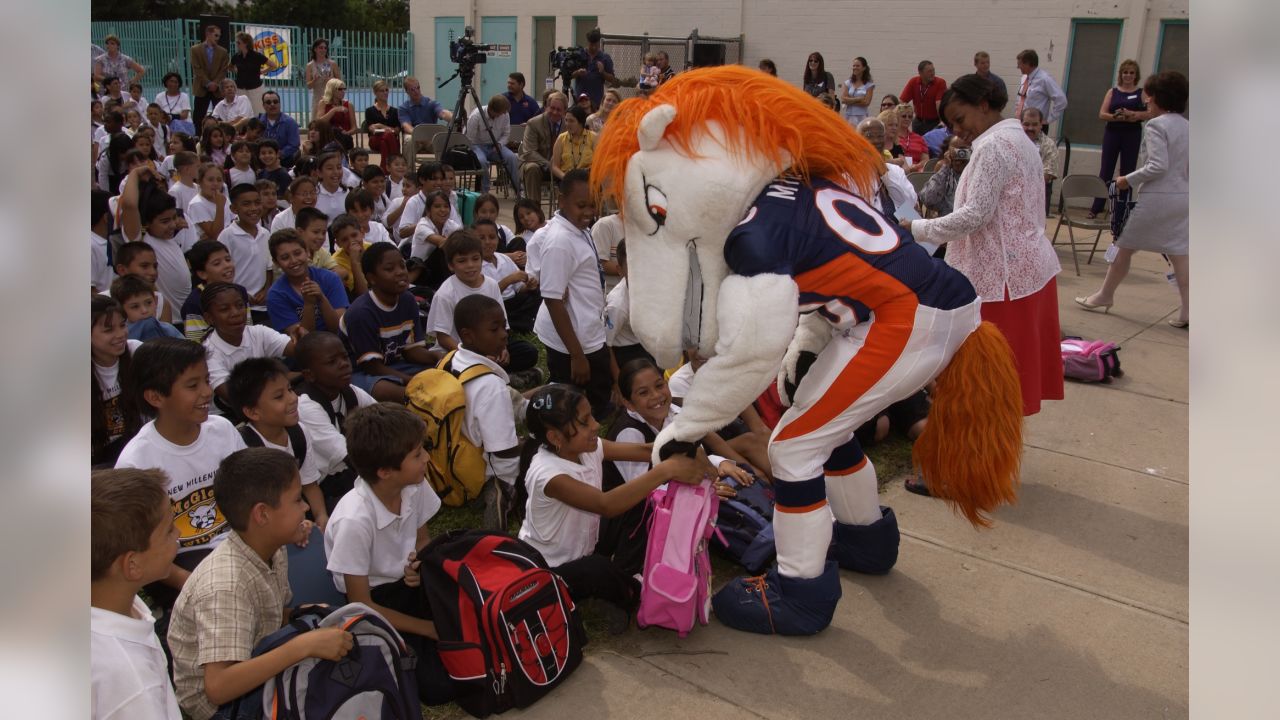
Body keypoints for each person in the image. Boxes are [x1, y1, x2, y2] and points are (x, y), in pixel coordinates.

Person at [905, 73, 1064, 417]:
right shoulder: (1019, 139)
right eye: (951, 125)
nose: (957, 131)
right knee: (1001, 389)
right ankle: (993, 463)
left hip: (1002, 281)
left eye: (960, 119)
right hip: (1022, 273)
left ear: (983, 104)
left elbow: (973, 215)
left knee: (986, 386)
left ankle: (980, 464)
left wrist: (914, 228)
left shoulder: (993, 146)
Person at [167, 447, 352, 720]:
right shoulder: (225, 586)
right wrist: (305, 645)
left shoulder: (271, 548)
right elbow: (218, 687)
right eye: (296, 499)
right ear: (262, 514)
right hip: (226, 708)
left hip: (254, 657)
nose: (305, 507)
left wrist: (302, 612)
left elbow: (268, 615)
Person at [518, 384, 715, 627]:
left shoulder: (586, 447)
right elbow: (606, 505)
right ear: (555, 437)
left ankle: (621, 575)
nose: (595, 425)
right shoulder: (547, 474)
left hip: (588, 543)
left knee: (639, 501)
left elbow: (645, 450)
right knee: (595, 568)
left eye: (591, 415)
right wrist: (668, 469)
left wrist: (689, 448)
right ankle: (635, 592)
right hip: (551, 568)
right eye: (584, 421)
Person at [323, 403, 456, 705]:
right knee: (438, 687)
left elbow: (422, 540)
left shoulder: (414, 484)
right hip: (375, 603)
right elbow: (361, 604)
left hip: (409, 584)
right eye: (417, 455)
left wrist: (418, 564)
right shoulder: (354, 520)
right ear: (385, 472)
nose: (426, 459)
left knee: (475, 627)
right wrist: (427, 628)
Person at [115, 338, 249, 610]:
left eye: (206, 380)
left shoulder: (222, 429)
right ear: (155, 397)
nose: (206, 392)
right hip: (181, 562)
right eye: (192, 385)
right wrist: (190, 581)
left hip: (236, 544)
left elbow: (249, 490)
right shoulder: (136, 462)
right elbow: (141, 549)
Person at [1075, 70, 1189, 328]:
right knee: (1180, 253)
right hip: (1182, 197)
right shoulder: (1188, 126)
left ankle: (1104, 295)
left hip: (1158, 198)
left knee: (1124, 244)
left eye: (1149, 97)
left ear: (1159, 98)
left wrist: (1127, 179)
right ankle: (1189, 310)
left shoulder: (1156, 126)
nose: (1146, 101)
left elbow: (1158, 166)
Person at [90, 468, 183, 720]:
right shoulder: (133, 682)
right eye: (169, 530)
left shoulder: (116, 601)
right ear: (132, 565)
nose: (179, 535)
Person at [534, 170, 611, 419]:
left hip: (586, 326)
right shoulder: (560, 241)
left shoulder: (577, 228)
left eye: (593, 205)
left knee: (596, 385)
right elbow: (553, 300)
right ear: (561, 200)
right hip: (572, 338)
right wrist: (577, 355)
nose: (589, 212)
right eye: (581, 205)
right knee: (569, 398)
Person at [450, 294, 533, 526]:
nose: (504, 334)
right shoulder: (491, 387)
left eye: (504, 326)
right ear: (468, 335)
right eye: (494, 329)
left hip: (450, 457)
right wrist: (509, 486)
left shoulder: (451, 359)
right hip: (479, 469)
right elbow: (504, 452)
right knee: (540, 445)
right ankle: (498, 493)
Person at [228, 358, 330, 528]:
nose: (292, 398)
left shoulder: (299, 433)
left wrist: (322, 517)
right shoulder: (243, 447)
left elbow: (310, 486)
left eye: (290, 389)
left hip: (296, 514)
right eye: (279, 396)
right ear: (253, 412)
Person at [425, 229, 538, 373]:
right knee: (449, 365)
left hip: (488, 347)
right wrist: (474, 357)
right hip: (458, 351)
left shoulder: (491, 285)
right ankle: (493, 372)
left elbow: (502, 324)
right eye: (462, 261)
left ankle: (493, 370)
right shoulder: (445, 294)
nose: (470, 265)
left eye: (475, 258)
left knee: (527, 352)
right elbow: (443, 338)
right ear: (451, 265)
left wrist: (502, 348)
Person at [339, 243, 442, 402]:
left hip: (396, 365)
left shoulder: (407, 300)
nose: (400, 272)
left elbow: (411, 351)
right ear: (371, 278)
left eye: (402, 266)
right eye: (389, 269)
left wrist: (437, 357)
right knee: (390, 391)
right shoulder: (361, 313)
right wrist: (412, 381)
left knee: (441, 373)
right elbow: (372, 367)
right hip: (362, 373)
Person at [293, 331, 377, 510]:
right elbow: (347, 454)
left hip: (348, 474)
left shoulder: (349, 391)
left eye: (345, 357)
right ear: (309, 375)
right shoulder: (305, 406)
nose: (344, 365)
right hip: (322, 488)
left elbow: (387, 421)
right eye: (332, 362)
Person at [199, 282, 297, 403]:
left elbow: (300, 350)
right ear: (209, 318)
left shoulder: (258, 332)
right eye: (224, 309)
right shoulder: (208, 352)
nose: (235, 313)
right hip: (231, 415)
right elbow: (234, 396)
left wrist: (301, 336)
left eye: (240, 306)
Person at [1089, 59, 1148, 217]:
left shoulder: (1141, 93)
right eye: (1125, 72)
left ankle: (1123, 208)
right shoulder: (1113, 92)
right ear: (1121, 74)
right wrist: (1117, 116)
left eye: (1131, 73)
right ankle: (1097, 207)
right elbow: (1102, 114)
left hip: (1132, 134)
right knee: (1106, 170)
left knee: (1128, 171)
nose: (1128, 75)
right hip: (1113, 132)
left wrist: (1133, 115)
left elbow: (1149, 113)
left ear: (1136, 75)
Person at [92, 296, 144, 466]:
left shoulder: (136, 351)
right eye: (108, 330)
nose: (120, 335)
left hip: (136, 445)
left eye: (122, 325)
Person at [266, 229, 349, 334]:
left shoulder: (330, 278)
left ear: (307, 252)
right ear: (276, 262)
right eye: (285, 257)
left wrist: (321, 298)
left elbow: (339, 328)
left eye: (297, 253)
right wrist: (309, 305)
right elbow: (302, 339)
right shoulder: (276, 295)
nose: (294, 261)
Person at [216, 183, 273, 320]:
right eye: (246, 204)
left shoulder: (265, 234)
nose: (253, 208)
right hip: (239, 305)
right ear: (234, 208)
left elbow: (269, 268)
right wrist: (240, 293)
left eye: (257, 203)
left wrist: (266, 290)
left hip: (263, 305)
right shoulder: (227, 236)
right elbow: (221, 273)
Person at [464, 94, 522, 195]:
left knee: (512, 157)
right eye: (502, 112)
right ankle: (484, 191)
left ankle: (518, 189)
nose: (504, 114)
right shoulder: (476, 116)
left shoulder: (505, 115)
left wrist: (499, 144)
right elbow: (469, 139)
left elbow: (506, 134)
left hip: (495, 145)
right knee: (482, 161)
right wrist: (475, 149)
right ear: (493, 110)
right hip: (477, 145)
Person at [179, 240, 236, 340]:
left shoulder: (240, 292)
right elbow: (197, 344)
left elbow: (248, 330)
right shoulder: (194, 303)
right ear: (202, 273)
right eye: (217, 263)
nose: (227, 265)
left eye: (228, 259)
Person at [519, 91, 567, 202]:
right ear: (546, 107)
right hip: (538, 164)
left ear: (565, 111)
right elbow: (529, 152)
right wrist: (550, 165)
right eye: (552, 108)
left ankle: (565, 211)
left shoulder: (568, 124)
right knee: (532, 168)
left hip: (561, 166)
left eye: (559, 109)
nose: (554, 112)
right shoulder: (533, 123)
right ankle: (534, 209)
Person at [113, 242, 176, 327]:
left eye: (155, 266)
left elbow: (167, 338)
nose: (153, 272)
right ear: (122, 270)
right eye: (144, 266)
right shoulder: (105, 302)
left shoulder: (162, 303)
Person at [112, 274, 184, 340]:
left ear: (155, 301)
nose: (144, 310)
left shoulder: (168, 329)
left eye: (149, 303)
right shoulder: (122, 337)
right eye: (135, 306)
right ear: (121, 310)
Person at [1014, 49, 1067, 133]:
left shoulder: (1045, 79)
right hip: (1022, 124)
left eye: (1020, 64)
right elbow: (1021, 99)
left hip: (1036, 127)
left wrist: (1048, 120)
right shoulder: (1024, 78)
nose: (1018, 67)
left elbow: (1061, 100)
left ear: (1028, 64)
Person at [190, 24, 230, 129]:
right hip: (201, 87)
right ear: (208, 34)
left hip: (217, 89)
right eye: (216, 35)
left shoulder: (223, 51)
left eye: (219, 36)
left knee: (220, 114)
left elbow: (223, 70)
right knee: (198, 115)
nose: (218, 38)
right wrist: (207, 83)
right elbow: (196, 68)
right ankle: (198, 136)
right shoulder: (195, 50)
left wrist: (215, 83)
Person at [918, 136, 971, 217]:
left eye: (962, 151)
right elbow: (928, 199)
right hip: (947, 222)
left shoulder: (977, 171)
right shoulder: (945, 172)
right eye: (954, 151)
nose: (959, 155)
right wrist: (945, 168)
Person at [1022, 107, 1059, 216]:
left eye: (1034, 124)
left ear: (1041, 125)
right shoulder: (1013, 141)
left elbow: (1047, 175)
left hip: (1038, 192)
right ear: (1020, 124)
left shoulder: (1048, 145)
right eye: (1026, 124)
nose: (1030, 128)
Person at [230, 32, 275, 115]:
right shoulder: (236, 56)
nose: (237, 44)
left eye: (238, 42)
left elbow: (273, 65)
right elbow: (230, 66)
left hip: (255, 89)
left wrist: (262, 71)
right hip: (240, 88)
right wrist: (236, 70)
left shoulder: (257, 56)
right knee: (241, 112)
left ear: (246, 43)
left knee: (258, 112)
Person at [362, 79, 402, 171]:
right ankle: (395, 165)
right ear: (375, 93)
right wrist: (388, 129)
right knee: (388, 135)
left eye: (386, 90)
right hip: (375, 139)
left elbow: (397, 130)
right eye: (382, 91)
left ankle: (384, 169)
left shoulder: (394, 111)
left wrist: (381, 126)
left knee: (385, 142)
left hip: (388, 140)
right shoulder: (370, 111)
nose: (385, 93)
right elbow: (372, 129)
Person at [573, 28, 616, 109]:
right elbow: (570, 75)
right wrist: (578, 72)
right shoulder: (579, 55)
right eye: (591, 45)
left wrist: (602, 72)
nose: (594, 48)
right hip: (580, 98)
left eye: (596, 45)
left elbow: (612, 79)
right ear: (587, 42)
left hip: (596, 100)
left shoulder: (605, 58)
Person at [551, 105, 596, 181]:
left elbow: (599, 164)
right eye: (566, 120)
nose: (567, 124)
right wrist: (566, 178)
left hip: (587, 179)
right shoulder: (561, 138)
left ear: (581, 122)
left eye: (571, 121)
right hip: (567, 179)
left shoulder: (593, 137)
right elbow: (555, 166)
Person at [900, 60, 947, 134]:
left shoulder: (940, 83)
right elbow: (902, 102)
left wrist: (942, 121)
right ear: (921, 73)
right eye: (929, 71)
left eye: (933, 70)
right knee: (917, 144)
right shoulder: (913, 82)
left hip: (934, 122)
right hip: (918, 122)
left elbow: (939, 104)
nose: (932, 73)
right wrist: (900, 118)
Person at [258, 90, 300, 167]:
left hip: (284, 161)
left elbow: (294, 145)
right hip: (262, 161)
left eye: (275, 101)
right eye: (268, 102)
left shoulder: (290, 122)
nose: (272, 104)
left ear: (279, 104)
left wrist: (277, 155)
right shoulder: (258, 122)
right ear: (263, 105)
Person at [305, 38, 343, 117]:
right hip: (317, 98)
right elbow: (308, 86)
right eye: (320, 47)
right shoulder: (310, 65)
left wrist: (331, 81)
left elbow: (340, 83)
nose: (323, 50)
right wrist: (314, 80)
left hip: (332, 99)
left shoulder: (332, 64)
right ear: (315, 49)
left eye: (325, 48)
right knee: (317, 123)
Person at [315, 79, 356, 150]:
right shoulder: (323, 103)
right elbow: (319, 122)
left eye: (344, 89)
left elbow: (354, 128)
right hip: (328, 138)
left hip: (344, 137)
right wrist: (334, 110)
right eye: (340, 89)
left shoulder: (349, 105)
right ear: (332, 90)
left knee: (339, 136)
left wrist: (347, 133)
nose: (343, 92)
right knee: (333, 133)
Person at [838, 56, 875, 128]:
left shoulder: (869, 85)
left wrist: (849, 100)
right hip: (849, 116)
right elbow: (843, 99)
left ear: (864, 68)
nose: (855, 68)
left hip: (862, 117)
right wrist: (858, 99)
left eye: (858, 66)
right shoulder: (848, 83)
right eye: (854, 66)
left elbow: (866, 102)